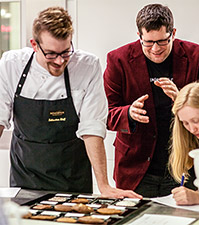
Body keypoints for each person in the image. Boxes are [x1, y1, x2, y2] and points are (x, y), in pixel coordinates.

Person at [0, 6, 141, 198]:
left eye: (65, 52)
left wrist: (104, 186)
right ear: (34, 44)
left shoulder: (87, 66)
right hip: (25, 176)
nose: (59, 61)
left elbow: (92, 128)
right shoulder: (11, 64)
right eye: (51, 54)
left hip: (72, 177)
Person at [103, 3, 199, 197]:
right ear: (138, 35)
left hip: (184, 162)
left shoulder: (195, 55)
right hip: (136, 167)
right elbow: (106, 114)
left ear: (173, 33)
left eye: (162, 41)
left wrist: (183, 99)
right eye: (148, 42)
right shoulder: (118, 60)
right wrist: (128, 113)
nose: (155, 49)